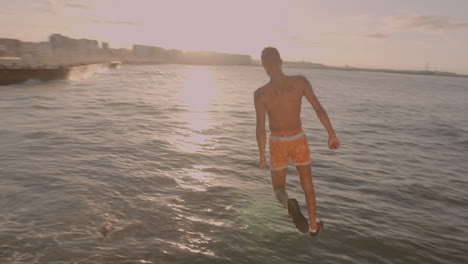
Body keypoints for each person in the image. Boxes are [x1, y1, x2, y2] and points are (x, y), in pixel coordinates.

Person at [254, 47, 340, 235]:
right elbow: (319, 108)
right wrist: (331, 134)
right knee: (308, 186)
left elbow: (260, 129)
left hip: (278, 142)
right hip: (298, 138)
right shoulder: (300, 82)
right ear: (281, 61)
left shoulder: (260, 94)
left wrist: (262, 156)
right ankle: (313, 225)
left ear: (264, 65)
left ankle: (288, 203)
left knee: (278, 189)